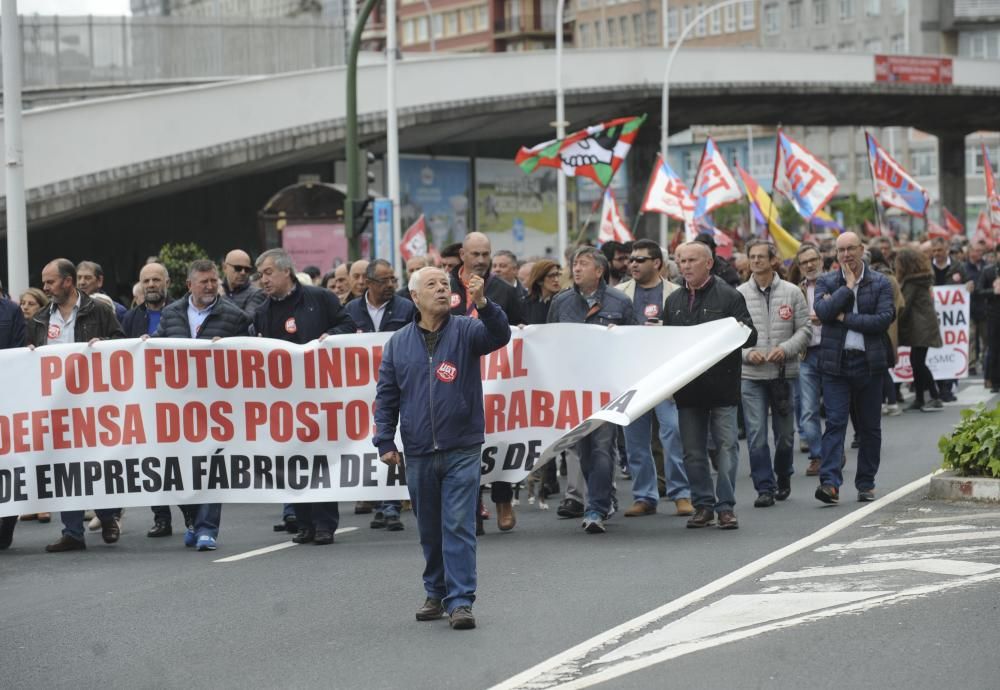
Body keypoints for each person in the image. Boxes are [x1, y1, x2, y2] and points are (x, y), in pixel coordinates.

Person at [374, 267, 510, 630]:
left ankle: (461, 601)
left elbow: (500, 335)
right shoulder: (398, 343)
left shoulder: (467, 330)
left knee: (458, 524)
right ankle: (435, 592)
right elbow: (386, 396)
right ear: (414, 297)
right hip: (418, 451)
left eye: (445, 285)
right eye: (431, 285)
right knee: (430, 530)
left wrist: (483, 303)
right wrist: (385, 440)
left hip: (462, 447)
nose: (440, 289)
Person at [253, 248, 356, 545]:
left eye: (268, 273)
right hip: (284, 400)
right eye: (261, 275)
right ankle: (304, 522)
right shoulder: (262, 312)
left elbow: (348, 325)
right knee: (291, 459)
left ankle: (325, 523)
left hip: (318, 395)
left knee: (319, 459)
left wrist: (330, 337)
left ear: (286, 271)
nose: (264, 280)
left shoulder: (319, 299)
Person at [147, 260, 252, 551]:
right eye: (203, 282)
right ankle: (193, 520)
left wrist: (232, 349)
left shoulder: (234, 317)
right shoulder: (171, 314)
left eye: (213, 281)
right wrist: (145, 344)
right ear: (189, 285)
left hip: (217, 406)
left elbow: (251, 352)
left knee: (212, 466)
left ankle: (207, 528)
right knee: (183, 469)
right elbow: (158, 347)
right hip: (179, 406)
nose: (209, 286)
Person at [28, 258, 125, 552]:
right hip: (55, 404)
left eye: (50, 282)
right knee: (62, 466)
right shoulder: (41, 318)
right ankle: (72, 531)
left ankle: (107, 515)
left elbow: (121, 342)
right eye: (44, 282)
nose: (45, 287)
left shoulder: (99, 310)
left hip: (92, 403)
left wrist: (103, 345)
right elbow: (31, 357)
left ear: (67, 282)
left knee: (92, 463)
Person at [664, 242, 757, 530]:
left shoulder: (729, 296)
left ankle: (726, 507)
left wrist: (735, 331)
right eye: (682, 261)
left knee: (726, 448)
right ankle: (703, 505)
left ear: (709, 263)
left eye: (692, 260)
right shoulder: (674, 301)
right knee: (692, 451)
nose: (686, 265)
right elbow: (667, 345)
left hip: (722, 388)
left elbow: (750, 336)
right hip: (689, 390)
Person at [548, 246, 634, 534]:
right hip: (573, 389)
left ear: (599, 271)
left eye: (583, 264)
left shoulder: (620, 302)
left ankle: (594, 508)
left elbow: (636, 342)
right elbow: (548, 340)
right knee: (582, 449)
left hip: (607, 389)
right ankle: (604, 497)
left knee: (601, 447)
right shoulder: (561, 302)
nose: (576, 268)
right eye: (574, 263)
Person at [813, 232, 895, 504]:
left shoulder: (880, 282)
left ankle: (866, 483)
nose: (846, 255)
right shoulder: (827, 281)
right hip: (836, 365)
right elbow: (823, 314)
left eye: (850, 249)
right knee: (835, 423)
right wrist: (847, 288)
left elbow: (882, 320)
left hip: (870, 364)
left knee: (870, 427)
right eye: (840, 250)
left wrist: (845, 317)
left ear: (862, 249)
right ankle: (830, 484)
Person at [449, 232, 522, 533]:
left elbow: (522, 328)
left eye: (485, 254)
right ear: (462, 255)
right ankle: (473, 509)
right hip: (457, 376)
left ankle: (503, 499)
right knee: (464, 441)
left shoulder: (504, 289)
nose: (481, 260)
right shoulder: (443, 286)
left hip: (499, 377)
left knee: (499, 437)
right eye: (475, 254)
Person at [615, 239, 693, 518]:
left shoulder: (676, 293)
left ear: (657, 263)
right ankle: (645, 495)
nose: (632, 264)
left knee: (672, 434)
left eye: (640, 259)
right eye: (631, 260)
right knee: (635, 440)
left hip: (666, 377)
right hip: (632, 377)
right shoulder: (619, 293)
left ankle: (681, 494)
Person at [737, 240, 811, 507]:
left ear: (773, 260)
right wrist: (747, 353)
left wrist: (786, 348)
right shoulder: (739, 294)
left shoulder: (792, 292)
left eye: (761, 257)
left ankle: (783, 475)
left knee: (785, 435)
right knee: (756, 434)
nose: (756, 261)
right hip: (752, 376)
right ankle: (764, 488)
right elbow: (731, 335)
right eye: (752, 257)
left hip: (782, 375)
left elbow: (805, 329)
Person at [345, 259, 416, 532]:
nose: (390, 286)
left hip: (396, 386)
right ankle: (378, 501)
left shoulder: (406, 308)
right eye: (384, 281)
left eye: (392, 280)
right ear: (368, 282)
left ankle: (392, 506)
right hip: (359, 390)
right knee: (366, 443)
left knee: (393, 442)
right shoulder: (351, 310)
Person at [896, 248, 944, 412]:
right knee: (916, 362)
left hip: (921, 328)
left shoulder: (911, 283)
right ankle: (920, 398)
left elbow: (904, 305)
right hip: (922, 327)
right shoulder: (920, 280)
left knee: (918, 362)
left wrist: (892, 319)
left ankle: (934, 396)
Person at [795, 244, 825, 476]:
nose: (809, 265)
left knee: (835, 409)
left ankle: (832, 450)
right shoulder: (796, 291)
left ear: (821, 260)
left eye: (812, 260)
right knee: (808, 411)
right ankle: (817, 455)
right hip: (807, 355)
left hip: (832, 351)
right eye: (805, 262)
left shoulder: (834, 284)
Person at [0, 293, 27, 550]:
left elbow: (19, 348)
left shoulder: (11, 311)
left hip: (6, 397)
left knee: (7, 461)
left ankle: (6, 524)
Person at [930, 237, 967, 402]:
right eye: (935, 250)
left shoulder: (958, 267)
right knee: (935, 351)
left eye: (940, 250)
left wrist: (969, 287)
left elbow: (968, 284)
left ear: (947, 250)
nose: (937, 253)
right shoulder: (927, 268)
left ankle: (948, 386)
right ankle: (939, 385)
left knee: (952, 349)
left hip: (952, 320)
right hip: (932, 317)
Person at [122, 263, 171, 339]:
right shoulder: (130, 318)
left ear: (167, 283)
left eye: (156, 280)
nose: (151, 285)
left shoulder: (181, 312)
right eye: (146, 281)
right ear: (141, 285)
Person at [977, 257, 1000, 393]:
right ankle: (995, 381)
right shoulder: (988, 271)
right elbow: (979, 291)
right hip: (993, 315)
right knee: (994, 349)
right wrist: (993, 291)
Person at [222, 249, 268, 315]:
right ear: (225, 268)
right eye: (238, 268)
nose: (243, 272)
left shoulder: (257, 294)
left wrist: (221, 300)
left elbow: (247, 320)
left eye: (247, 269)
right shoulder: (218, 293)